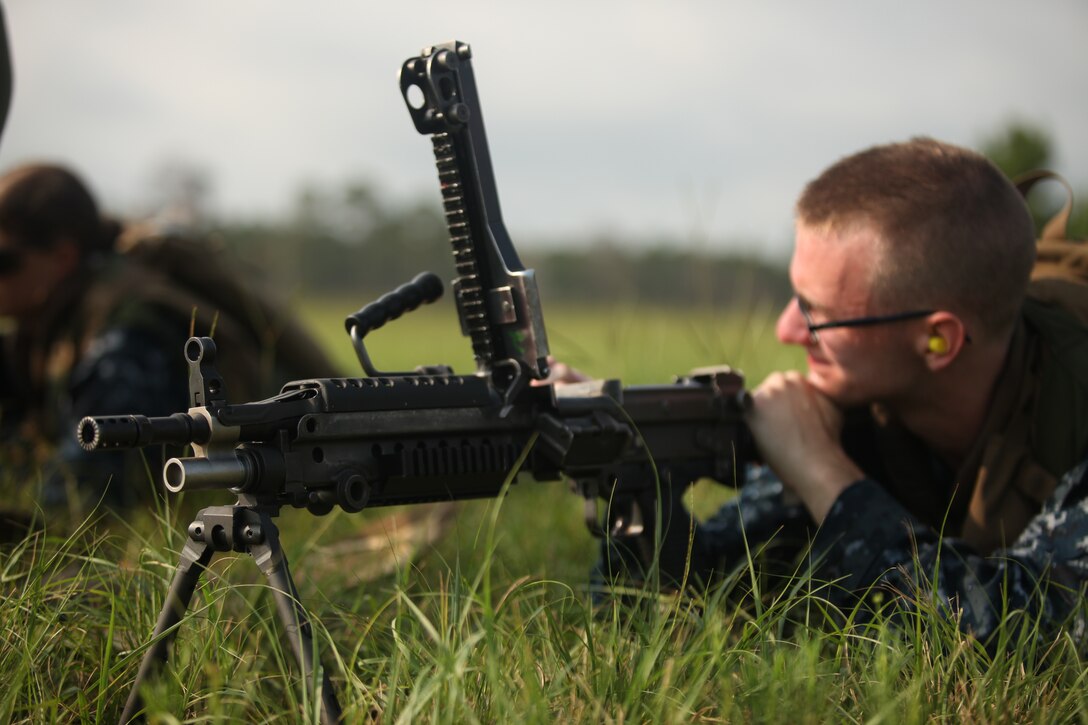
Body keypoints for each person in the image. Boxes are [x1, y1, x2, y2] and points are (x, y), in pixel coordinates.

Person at [603, 138, 1088, 641]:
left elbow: (1032, 634)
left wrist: (825, 476)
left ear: (938, 340)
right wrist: (632, 476)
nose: (786, 330)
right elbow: (715, 587)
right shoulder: (866, 406)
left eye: (817, 313)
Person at [0, 163, 339, 522]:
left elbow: (83, 496)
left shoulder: (127, 337)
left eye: (4, 261)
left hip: (290, 477)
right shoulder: (50, 327)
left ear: (63, 257)